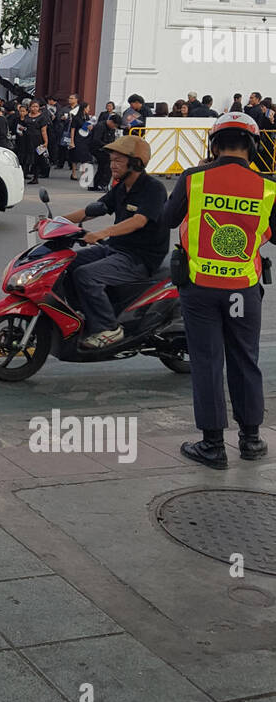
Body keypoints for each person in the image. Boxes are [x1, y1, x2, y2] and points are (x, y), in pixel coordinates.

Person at [162, 112, 275, 469]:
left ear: (213, 145)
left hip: (200, 289)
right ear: (253, 147)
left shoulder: (194, 179)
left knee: (208, 362)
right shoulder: (268, 186)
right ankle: (252, 440)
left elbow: (167, 219)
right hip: (243, 288)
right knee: (246, 360)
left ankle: (212, 446)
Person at [62, 136, 169, 349]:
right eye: (111, 160)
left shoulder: (153, 189)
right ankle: (83, 313)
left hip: (139, 257)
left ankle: (108, 328)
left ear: (136, 163)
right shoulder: (121, 188)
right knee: (66, 261)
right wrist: (58, 222)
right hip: (116, 248)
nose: (112, 165)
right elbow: (92, 210)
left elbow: (139, 221)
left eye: (118, 161)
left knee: (86, 275)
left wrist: (102, 233)